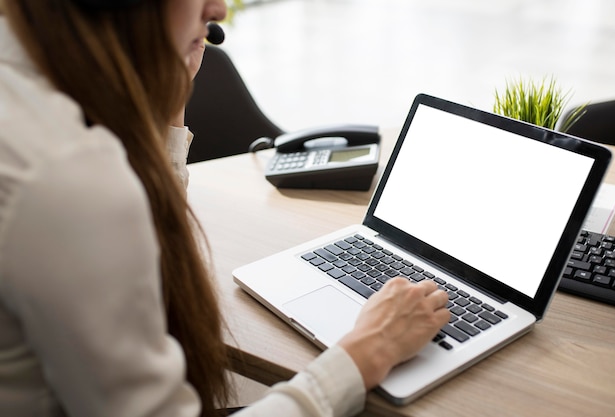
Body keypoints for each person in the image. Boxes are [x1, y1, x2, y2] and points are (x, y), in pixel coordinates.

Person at [0, 0, 450, 416]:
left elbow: (148, 237)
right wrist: (362, 355)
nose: (218, 8)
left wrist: (169, 103)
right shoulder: (65, 172)